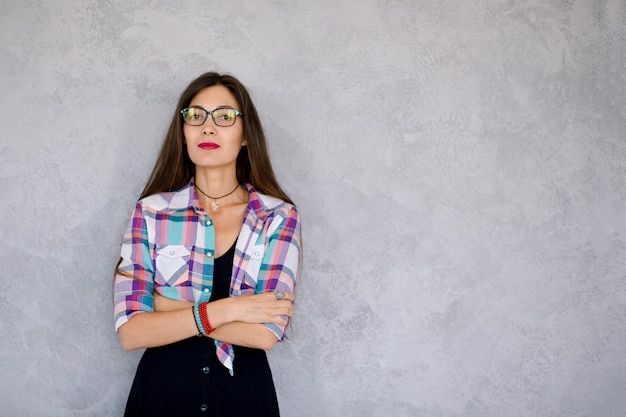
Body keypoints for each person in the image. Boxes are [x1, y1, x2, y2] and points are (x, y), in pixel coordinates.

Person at [113, 72, 302, 416]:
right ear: (183, 131)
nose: (208, 127)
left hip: (244, 399)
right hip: (161, 398)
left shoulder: (278, 217)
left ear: (246, 136)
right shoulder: (152, 212)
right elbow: (131, 331)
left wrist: (166, 307)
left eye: (225, 116)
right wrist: (231, 309)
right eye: (195, 116)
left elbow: (265, 334)